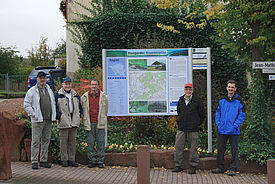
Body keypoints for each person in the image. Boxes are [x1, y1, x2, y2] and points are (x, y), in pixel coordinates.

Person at [212, 80, 246, 176]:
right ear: (226, 88)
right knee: (220, 149)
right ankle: (220, 167)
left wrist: (235, 125)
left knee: (234, 150)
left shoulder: (240, 101)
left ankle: (233, 169)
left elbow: (242, 115)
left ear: (235, 89)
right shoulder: (221, 100)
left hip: (234, 131)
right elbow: (217, 112)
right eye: (229, 87)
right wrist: (218, 124)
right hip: (222, 129)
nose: (230, 89)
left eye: (232, 87)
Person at [24, 71, 56, 169]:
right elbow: (26, 104)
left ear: (46, 79)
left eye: (44, 78)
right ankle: (34, 161)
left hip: (48, 119)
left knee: (46, 140)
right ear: (37, 79)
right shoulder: (32, 91)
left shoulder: (49, 90)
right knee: (36, 141)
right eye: (40, 78)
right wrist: (33, 114)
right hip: (37, 120)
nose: (42, 79)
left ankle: (43, 160)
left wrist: (53, 116)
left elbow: (53, 103)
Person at [172, 83, 205, 174]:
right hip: (181, 127)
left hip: (193, 128)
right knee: (178, 146)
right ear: (184, 90)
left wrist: (197, 123)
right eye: (186, 89)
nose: (188, 91)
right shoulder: (181, 100)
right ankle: (178, 165)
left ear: (192, 90)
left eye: (190, 89)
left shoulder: (197, 101)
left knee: (193, 147)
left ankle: (193, 166)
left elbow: (202, 114)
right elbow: (179, 112)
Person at [81, 78, 108, 168]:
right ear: (89, 86)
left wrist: (102, 118)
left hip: (99, 122)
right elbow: (82, 110)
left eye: (95, 84)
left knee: (100, 143)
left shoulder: (103, 96)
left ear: (98, 86)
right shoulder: (84, 96)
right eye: (92, 84)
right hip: (89, 123)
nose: (94, 86)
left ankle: (100, 161)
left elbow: (106, 110)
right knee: (90, 143)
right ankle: (92, 160)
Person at [55, 77, 82, 167]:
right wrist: (58, 116)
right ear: (62, 84)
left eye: (69, 84)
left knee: (72, 141)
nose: (67, 85)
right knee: (63, 141)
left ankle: (71, 159)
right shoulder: (58, 95)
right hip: (63, 120)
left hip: (73, 120)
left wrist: (79, 116)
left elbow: (80, 107)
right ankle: (64, 159)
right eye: (66, 84)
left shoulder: (75, 94)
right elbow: (55, 107)